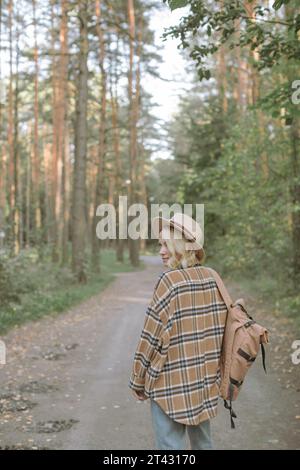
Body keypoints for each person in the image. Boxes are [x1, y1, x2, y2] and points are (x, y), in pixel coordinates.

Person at [128, 213, 228, 450]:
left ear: (182, 246)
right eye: (160, 245)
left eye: (166, 244)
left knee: (170, 447)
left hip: (169, 385)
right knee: (204, 444)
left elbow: (150, 338)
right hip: (203, 383)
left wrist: (137, 379)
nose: (161, 251)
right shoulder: (212, 277)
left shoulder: (169, 282)